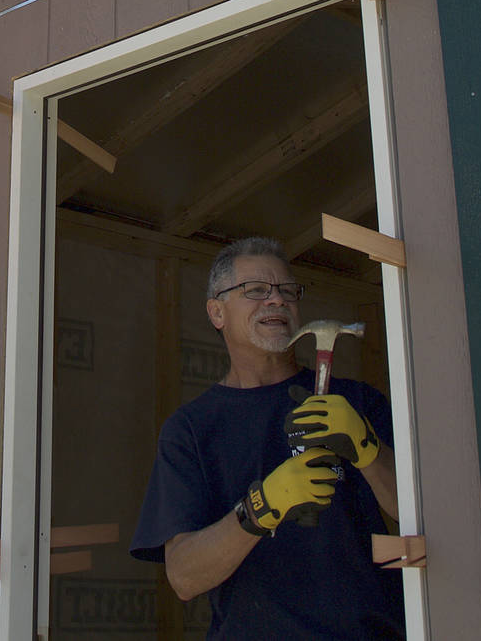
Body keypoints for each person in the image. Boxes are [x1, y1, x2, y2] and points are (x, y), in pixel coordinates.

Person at [131, 237, 403, 638]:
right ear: (216, 311)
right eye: (255, 290)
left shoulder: (356, 403)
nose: (276, 301)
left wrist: (367, 449)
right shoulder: (191, 430)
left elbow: (429, 519)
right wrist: (260, 508)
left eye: (287, 291)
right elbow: (184, 577)